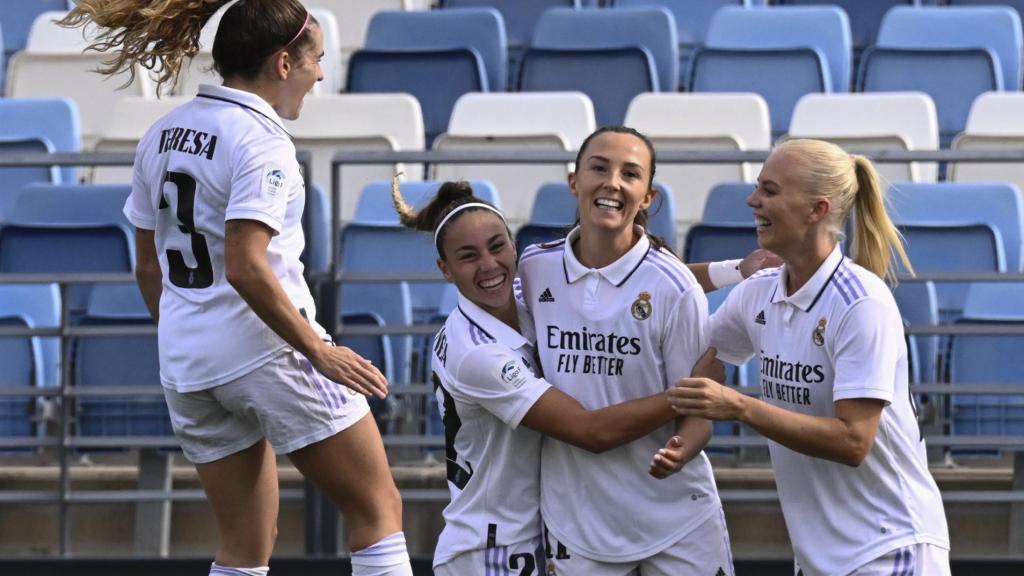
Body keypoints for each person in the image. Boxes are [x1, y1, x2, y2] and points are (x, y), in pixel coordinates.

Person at [59, 2, 413, 575]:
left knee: (246, 545)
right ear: (282, 62)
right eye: (316, 60)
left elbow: (148, 268)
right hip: (268, 350)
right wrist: (317, 349)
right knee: (377, 507)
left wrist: (191, 330)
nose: (320, 75)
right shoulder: (262, 141)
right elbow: (248, 266)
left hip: (186, 362)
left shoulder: (161, 133)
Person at [391, 178, 725, 575]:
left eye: (497, 246)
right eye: (468, 257)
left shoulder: (521, 292)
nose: (489, 265)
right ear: (445, 270)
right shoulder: (476, 352)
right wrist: (690, 394)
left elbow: (633, 283)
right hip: (492, 548)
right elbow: (590, 432)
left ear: (514, 245)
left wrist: (734, 270)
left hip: (536, 534)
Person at [669, 138, 951, 576]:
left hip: (889, 549)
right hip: (817, 557)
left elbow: (854, 441)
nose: (752, 199)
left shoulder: (862, 304)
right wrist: (684, 436)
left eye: (770, 190)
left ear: (817, 210)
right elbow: (709, 358)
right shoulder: (758, 293)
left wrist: (739, 407)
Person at [517, 126, 736, 575]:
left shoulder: (674, 286)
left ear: (648, 197)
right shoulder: (535, 267)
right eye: (599, 167)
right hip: (576, 523)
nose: (612, 182)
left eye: (630, 174)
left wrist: (681, 447)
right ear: (574, 180)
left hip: (677, 521)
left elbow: (698, 410)